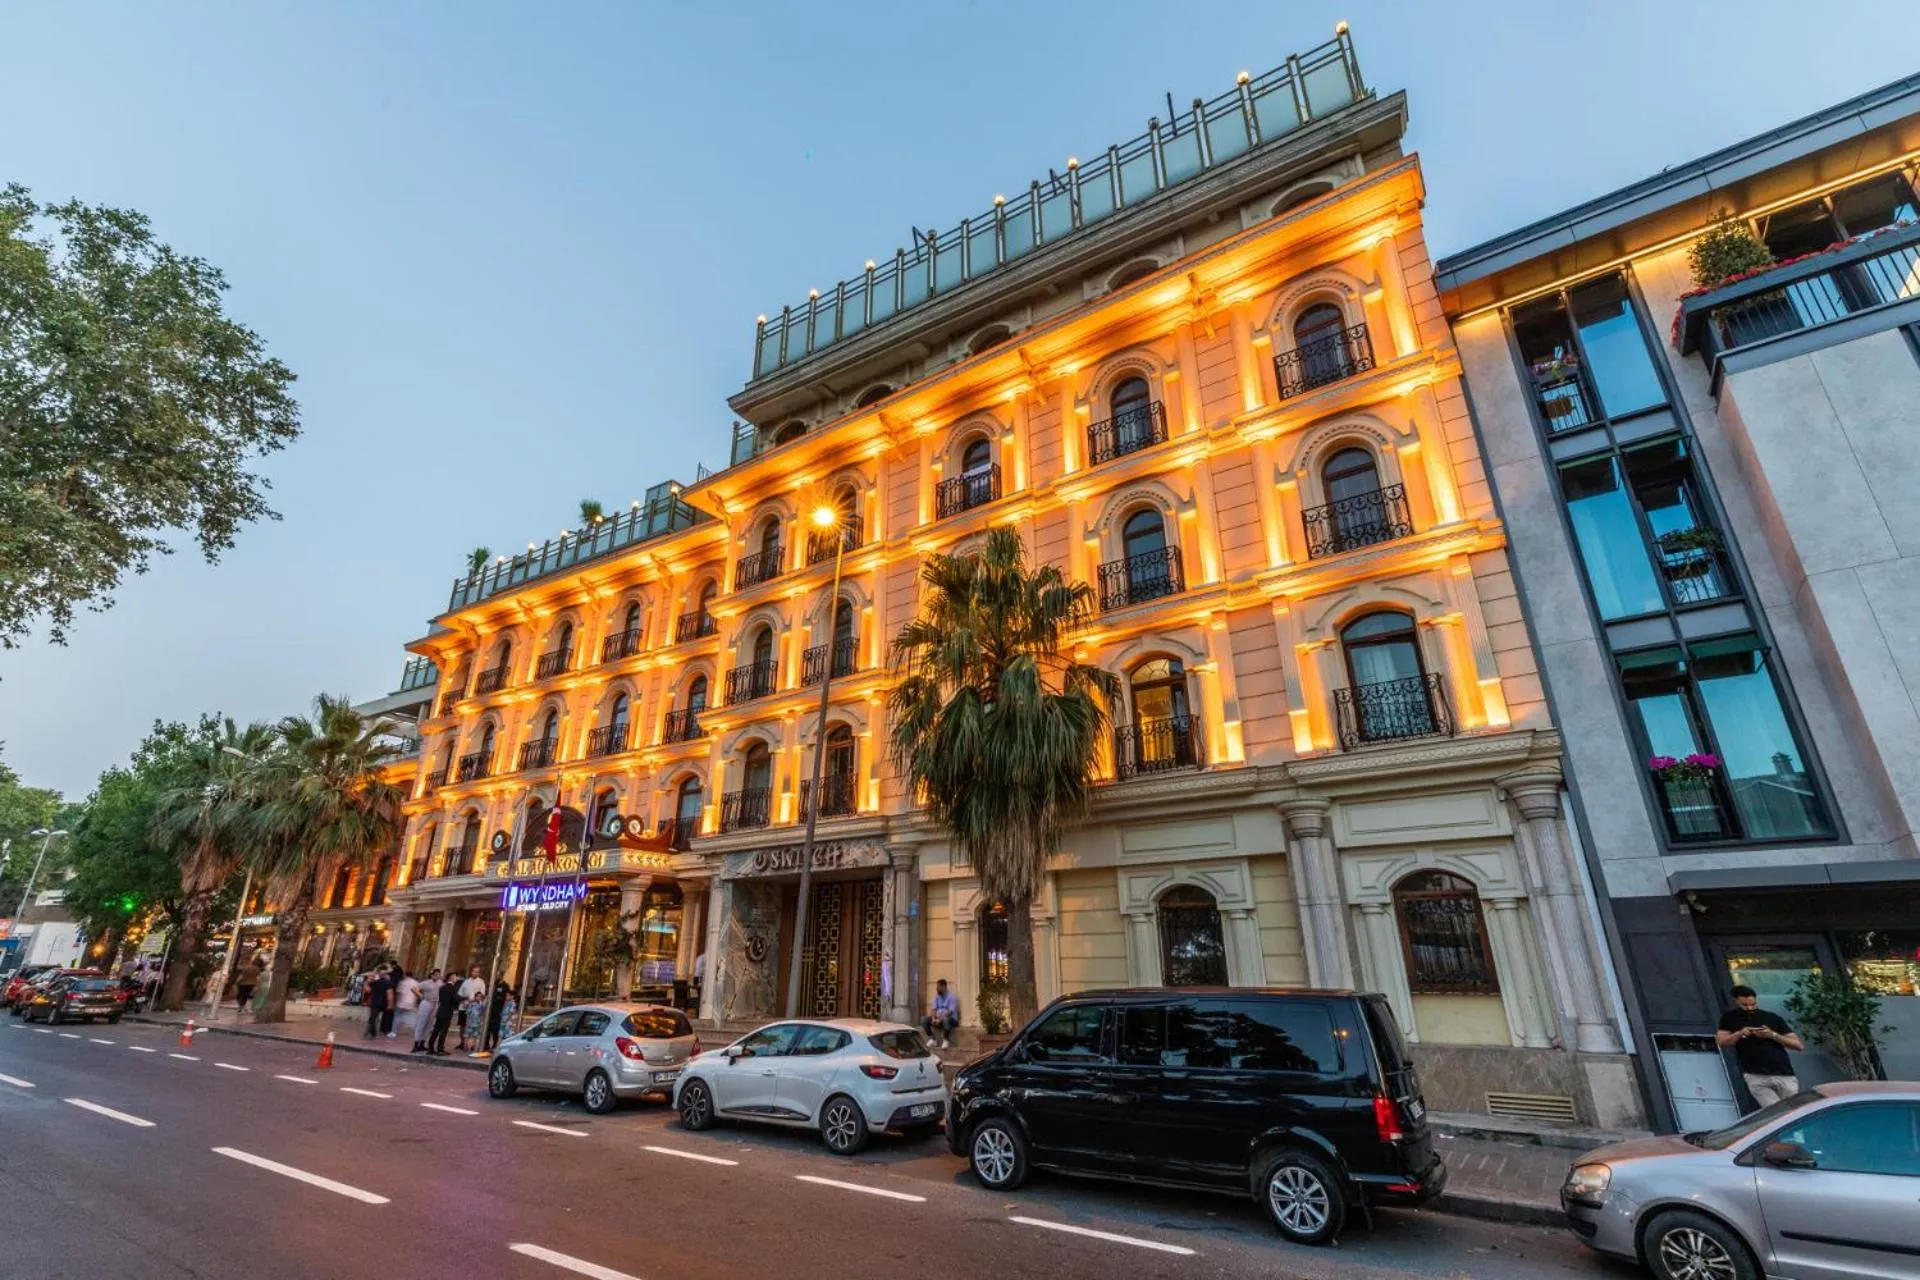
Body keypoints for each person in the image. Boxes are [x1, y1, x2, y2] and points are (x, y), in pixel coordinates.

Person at [1717, 985, 1805, 1110]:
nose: (1750, 1008)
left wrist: (1772, 1035)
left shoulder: (1771, 1018)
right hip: (1755, 1075)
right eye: (1745, 1005)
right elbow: (1721, 1041)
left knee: (1793, 1112)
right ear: (1737, 1001)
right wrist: (1740, 1033)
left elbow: (1798, 1045)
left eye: (1753, 1004)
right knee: (1775, 1113)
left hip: (1783, 1073)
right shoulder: (1729, 1018)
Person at [428, 970, 463, 1056]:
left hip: (440, 1010)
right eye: (455, 976)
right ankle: (440, 1049)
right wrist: (462, 1000)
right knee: (443, 1031)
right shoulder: (452, 988)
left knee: (436, 1030)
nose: (456, 978)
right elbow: (455, 999)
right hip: (447, 1012)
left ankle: (430, 1048)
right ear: (451, 978)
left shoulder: (442, 987)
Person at [922, 978, 960, 1049]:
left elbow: (950, 1012)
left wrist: (940, 1019)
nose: (937, 989)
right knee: (924, 1020)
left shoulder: (951, 997)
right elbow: (933, 1009)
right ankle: (933, 1039)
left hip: (951, 1019)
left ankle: (946, 1040)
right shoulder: (937, 997)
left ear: (944, 987)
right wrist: (933, 1018)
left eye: (938, 987)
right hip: (938, 1019)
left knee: (946, 1019)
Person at [456, 966, 486, 1052]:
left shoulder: (481, 982)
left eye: (477, 972)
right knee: (462, 1025)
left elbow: (483, 995)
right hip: (464, 1007)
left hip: (475, 1009)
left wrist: (476, 1000)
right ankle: (462, 1043)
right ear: (471, 972)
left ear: (479, 973)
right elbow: (460, 994)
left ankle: (472, 1045)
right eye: (474, 971)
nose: (475, 973)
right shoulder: (466, 981)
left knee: (474, 1027)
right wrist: (465, 999)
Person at [411, 968, 440, 1053]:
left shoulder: (439, 983)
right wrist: (420, 995)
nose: (437, 976)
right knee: (421, 1023)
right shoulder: (426, 983)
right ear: (432, 975)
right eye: (436, 974)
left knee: (429, 1024)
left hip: (435, 1004)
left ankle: (422, 1043)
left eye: (438, 974)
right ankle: (416, 1044)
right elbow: (414, 988)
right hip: (426, 1003)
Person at [364, 965, 394, 1040]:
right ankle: (384, 1031)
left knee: (373, 1018)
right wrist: (390, 1004)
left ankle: (371, 1033)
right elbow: (390, 994)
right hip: (384, 1003)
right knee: (385, 1018)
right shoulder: (388, 983)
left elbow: (368, 990)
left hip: (375, 1003)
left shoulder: (375, 982)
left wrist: (366, 982)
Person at [393, 966, 419, 1042]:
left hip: (401, 1002)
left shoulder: (402, 982)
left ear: (405, 975)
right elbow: (417, 994)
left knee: (397, 1017)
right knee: (413, 1018)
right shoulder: (416, 983)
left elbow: (399, 993)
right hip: (411, 1002)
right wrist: (415, 1002)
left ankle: (394, 1031)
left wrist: (396, 1002)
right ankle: (415, 1032)